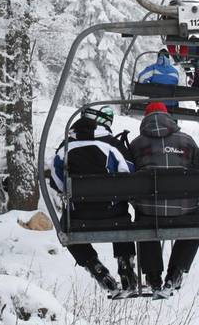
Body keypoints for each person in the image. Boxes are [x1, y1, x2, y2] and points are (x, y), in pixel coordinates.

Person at [50, 107, 138, 291]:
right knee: (123, 215)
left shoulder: (65, 146)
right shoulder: (112, 144)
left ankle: (93, 265)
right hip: (113, 214)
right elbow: (129, 174)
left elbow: (56, 181)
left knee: (64, 227)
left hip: (78, 216)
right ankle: (125, 264)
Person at [128, 102, 199, 298]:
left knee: (144, 219)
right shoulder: (187, 141)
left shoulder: (136, 144)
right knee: (197, 219)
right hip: (183, 210)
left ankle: (153, 277)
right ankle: (175, 272)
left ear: (145, 119)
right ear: (168, 116)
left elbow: (127, 178)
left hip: (148, 210)